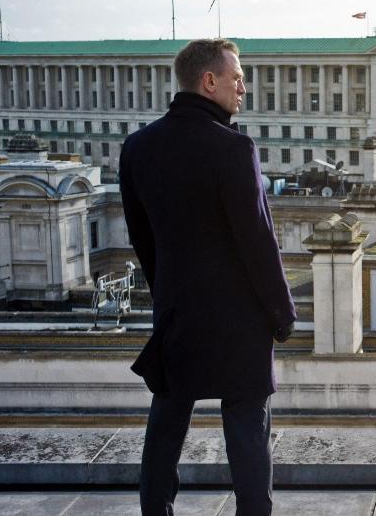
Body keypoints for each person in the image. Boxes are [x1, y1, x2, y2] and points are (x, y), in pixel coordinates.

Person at [120, 39, 296, 516]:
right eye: (236, 77)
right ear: (209, 81)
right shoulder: (234, 148)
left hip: (178, 311)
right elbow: (258, 242)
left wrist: (169, 294)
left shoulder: (137, 147)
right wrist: (282, 314)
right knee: (246, 430)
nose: (244, 86)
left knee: (168, 419)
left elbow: (143, 240)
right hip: (239, 320)